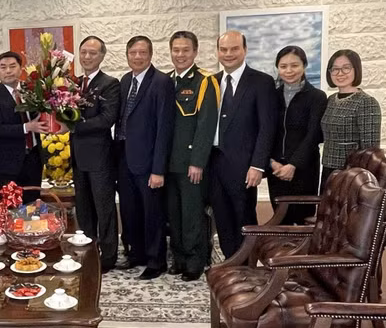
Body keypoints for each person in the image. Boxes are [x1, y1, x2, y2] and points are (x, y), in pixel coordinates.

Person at [208, 31, 277, 259]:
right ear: (218, 52)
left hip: (244, 167)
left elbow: (267, 127)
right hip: (214, 164)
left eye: (234, 49)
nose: (228, 54)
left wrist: (258, 165)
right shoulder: (212, 82)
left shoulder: (261, 82)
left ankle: (248, 267)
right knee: (222, 218)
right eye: (224, 49)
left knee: (244, 218)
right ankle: (231, 264)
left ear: (245, 50)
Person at [56, 36, 120, 272]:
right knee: (83, 208)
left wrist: (72, 126)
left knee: (104, 208)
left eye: (93, 53)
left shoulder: (110, 83)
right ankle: (89, 251)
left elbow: (106, 119)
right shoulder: (73, 83)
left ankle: (109, 256)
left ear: (102, 56)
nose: (87, 57)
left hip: (100, 157)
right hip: (78, 156)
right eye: (83, 52)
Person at [114, 35, 175, 280]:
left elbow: (164, 128)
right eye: (133, 53)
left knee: (152, 213)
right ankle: (136, 253)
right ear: (127, 55)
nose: (137, 57)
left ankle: (155, 260)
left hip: (149, 162)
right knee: (130, 211)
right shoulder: (125, 80)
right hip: (124, 159)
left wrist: (158, 169)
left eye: (142, 53)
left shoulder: (161, 82)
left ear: (150, 55)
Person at [165, 31, 218, 281]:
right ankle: (178, 257)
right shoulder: (166, 81)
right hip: (168, 163)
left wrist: (198, 161)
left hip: (190, 164)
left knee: (192, 214)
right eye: (176, 49)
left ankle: (195, 261)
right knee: (173, 214)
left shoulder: (205, 81)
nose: (180, 54)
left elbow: (206, 126)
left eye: (186, 50)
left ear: (195, 52)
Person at [268, 46, 327, 224]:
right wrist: (270, 162)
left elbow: (314, 134)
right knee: (280, 220)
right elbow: (265, 131)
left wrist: (293, 165)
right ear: (277, 68)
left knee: (304, 221)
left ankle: (304, 254)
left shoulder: (317, 96)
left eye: (294, 65)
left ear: (304, 66)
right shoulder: (271, 96)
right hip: (276, 169)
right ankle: (283, 253)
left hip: (304, 168)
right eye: (283, 66)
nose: (289, 71)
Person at [0, 51, 48, 203]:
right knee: (12, 209)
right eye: (3, 67)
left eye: (12, 66)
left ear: (21, 68)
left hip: (33, 158)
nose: (8, 71)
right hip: (8, 163)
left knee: (33, 206)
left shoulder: (31, 90)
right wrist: (27, 127)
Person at [320, 49, 381, 191]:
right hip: (328, 168)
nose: (340, 73)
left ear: (356, 70)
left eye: (346, 68)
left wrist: (359, 178)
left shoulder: (366, 102)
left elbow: (370, 150)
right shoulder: (330, 100)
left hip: (352, 173)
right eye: (335, 69)